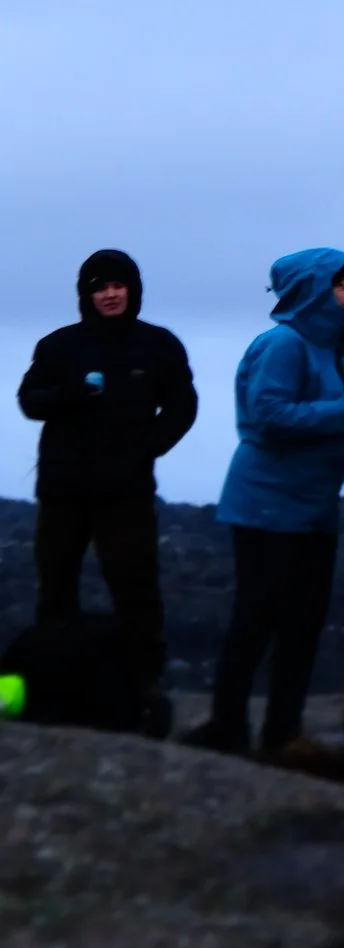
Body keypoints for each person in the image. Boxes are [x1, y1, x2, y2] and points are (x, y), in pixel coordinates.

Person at [198, 248, 344, 756]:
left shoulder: (329, 354)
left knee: (303, 625)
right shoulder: (282, 345)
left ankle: (282, 733)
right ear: (315, 290)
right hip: (267, 507)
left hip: (312, 510)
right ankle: (226, 728)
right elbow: (271, 417)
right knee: (256, 620)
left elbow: (334, 428)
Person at [15, 251, 197, 705]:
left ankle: (144, 687)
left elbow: (182, 405)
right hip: (63, 489)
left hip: (126, 489)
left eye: (118, 285)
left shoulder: (158, 345)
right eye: (100, 286)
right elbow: (30, 400)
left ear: (133, 290)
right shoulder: (59, 346)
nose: (110, 294)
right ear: (86, 293)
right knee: (56, 586)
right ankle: (51, 687)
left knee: (135, 588)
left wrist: (148, 448)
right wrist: (66, 395)